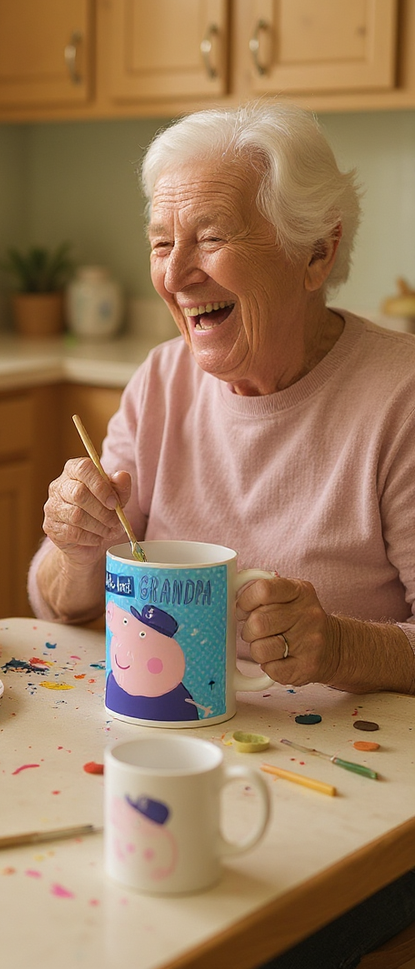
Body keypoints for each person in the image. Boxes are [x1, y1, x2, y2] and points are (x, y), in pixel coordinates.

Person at [28, 100, 415, 968]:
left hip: (354, 799)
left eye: (209, 237)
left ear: (317, 251)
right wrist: (75, 544)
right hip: (169, 761)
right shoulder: (161, 380)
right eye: (162, 243)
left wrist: (338, 645)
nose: (177, 273)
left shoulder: (402, 399)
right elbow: (59, 603)